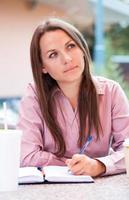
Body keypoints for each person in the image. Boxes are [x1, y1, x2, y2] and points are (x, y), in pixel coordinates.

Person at [17, 17, 129, 177]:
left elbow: (128, 148)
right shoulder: (34, 96)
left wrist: (99, 165)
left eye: (70, 46)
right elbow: (26, 156)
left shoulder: (111, 91)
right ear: (43, 66)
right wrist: (80, 165)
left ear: (82, 49)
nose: (67, 59)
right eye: (53, 54)